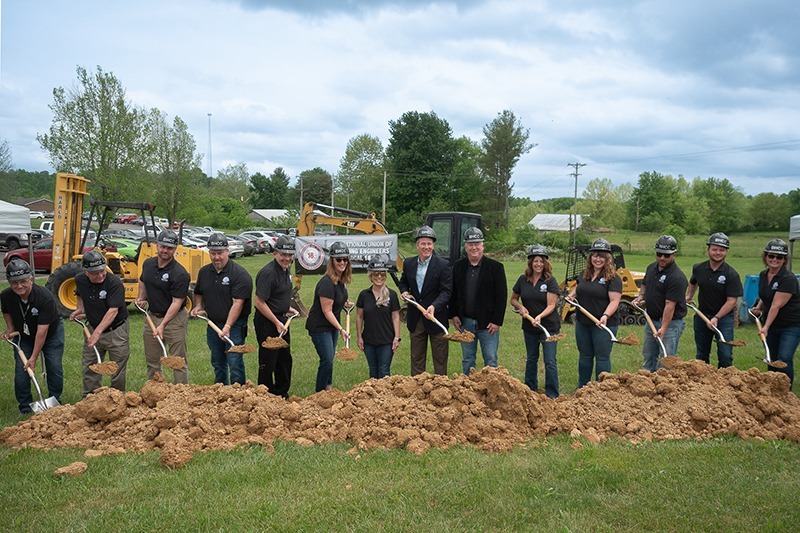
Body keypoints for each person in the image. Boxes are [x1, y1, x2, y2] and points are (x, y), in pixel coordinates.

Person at [1, 259, 64, 413]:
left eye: (23, 281)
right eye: (14, 283)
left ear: (31, 279)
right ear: (9, 282)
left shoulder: (44, 297)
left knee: (53, 366)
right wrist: (10, 328)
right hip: (24, 335)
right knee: (22, 371)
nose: (19, 286)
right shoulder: (6, 295)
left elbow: (42, 332)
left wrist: (34, 358)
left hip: (50, 334)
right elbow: (6, 310)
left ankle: (55, 400)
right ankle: (25, 406)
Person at [191, 233, 253, 386]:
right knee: (217, 361)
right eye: (213, 253)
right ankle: (220, 390)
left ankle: (239, 393)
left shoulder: (239, 274)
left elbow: (237, 303)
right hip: (213, 324)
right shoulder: (204, 272)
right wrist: (198, 306)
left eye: (220, 253)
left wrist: (227, 326)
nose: (216, 257)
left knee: (234, 360)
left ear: (227, 251)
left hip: (236, 325)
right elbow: (198, 292)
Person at [69, 250, 130, 396]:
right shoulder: (80, 279)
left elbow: (113, 311)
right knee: (91, 365)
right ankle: (90, 398)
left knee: (117, 367)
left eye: (102, 271)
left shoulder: (114, 283)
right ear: (86, 272)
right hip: (93, 326)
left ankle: (117, 397)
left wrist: (96, 334)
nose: (101, 275)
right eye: (95, 273)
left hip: (116, 330)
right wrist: (79, 309)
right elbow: (80, 293)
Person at [449, 227, 507, 375]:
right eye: (470, 244)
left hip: (488, 324)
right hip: (465, 322)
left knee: (491, 358)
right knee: (468, 359)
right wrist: (454, 314)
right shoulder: (458, 266)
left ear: (483, 246)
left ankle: (491, 391)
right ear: (466, 247)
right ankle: (468, 390)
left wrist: (497, 321)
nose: (474, 247)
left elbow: (501, 296)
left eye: (477, 244)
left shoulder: (496, 268)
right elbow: (453, 293)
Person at [136, 229, 190, 383]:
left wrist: (163, 325)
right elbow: (143, 280)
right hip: (152, 317)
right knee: (153, 360)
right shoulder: (148, 264)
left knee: (177, 361)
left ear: (175, 249)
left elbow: (177, 302)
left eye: (170, 248)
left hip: (175, 319)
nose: (165, 250)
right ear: (157, 245)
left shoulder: (180, 274)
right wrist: (141, 297)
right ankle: (155, 392)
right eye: (163, 246)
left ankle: (180, 395)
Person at [568, 238, 622, 388]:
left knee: (602, 357)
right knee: (585, 356)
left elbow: (614, 301)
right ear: (590, 257)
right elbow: (579, 288)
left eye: (602, 256)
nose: (598, 259)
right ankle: (583, 387)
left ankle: (602, 389)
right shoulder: (584, 274)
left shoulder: (613, 278)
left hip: (603, 325)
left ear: (608, 258)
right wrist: (571, 296)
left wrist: (605, 316)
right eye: (595, 256)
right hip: (583, 323)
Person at [398, 225, 452, 375]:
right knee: (417, 359)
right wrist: (404, 292)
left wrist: (434, 306)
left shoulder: (443, 265)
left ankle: (440, 390)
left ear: (433, 245)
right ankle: (417, 389)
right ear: (417, 245)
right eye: (423, 243)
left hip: (436, 318)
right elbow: (403, 283)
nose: (426, 247)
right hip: (416, 319)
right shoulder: (409, 263)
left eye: (429, 243)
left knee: (440, 360)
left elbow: (446, 292)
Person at [685, 232, 743, 368]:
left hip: (724, 319)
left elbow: (732, 301)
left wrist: (717, 317)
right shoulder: (699, 268)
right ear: (708, 250)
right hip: (702, 315)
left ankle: (725, 384)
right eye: (715, 249)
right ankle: (703, 385)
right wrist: (689, 296)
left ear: (726, 252)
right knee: (701, 355)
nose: (718, 253)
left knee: (725, 355)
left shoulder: (731, 274)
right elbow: (693, 282)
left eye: (722, 250)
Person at [510, 245, 561, 398]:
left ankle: (552, 394)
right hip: (529, 327)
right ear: (531, 262)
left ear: (545, 263)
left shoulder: (550, 281)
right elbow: (513, 299)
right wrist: (521, 307)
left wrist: (539, 316)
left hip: (548, 327)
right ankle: (530, 390)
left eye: (541, 261)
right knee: (531, 358)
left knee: (550, 361)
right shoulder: (523, 280)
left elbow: (552, 305)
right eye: (535, 261)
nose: (538, 264)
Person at [633, 235, 688, 371]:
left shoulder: (677, 277)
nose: (662, 258)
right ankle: (645, 383)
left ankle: (664, 388)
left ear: (674, 255)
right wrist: (640, 296)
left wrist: (663, 328)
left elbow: (670, 305)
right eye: (659, 254)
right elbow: (645, 284)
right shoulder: (651, 268)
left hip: (670, 324)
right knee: (648, 355)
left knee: (666, 360)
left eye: (666, 255)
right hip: (651, 320)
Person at [750, 238, 800, 385]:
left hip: (791, 325)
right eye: (771, 256)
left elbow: (775, 305)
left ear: (784, 260)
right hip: (773, 323)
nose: (774, 259)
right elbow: (765, 295)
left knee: (784, 358)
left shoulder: (788, 279)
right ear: (766, 257)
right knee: (771, 358)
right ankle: (772, 389)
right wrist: (758, 308)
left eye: (779, 257)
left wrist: (765, 327)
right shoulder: (763, 275)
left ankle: (786, 391)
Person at [253, 234, 298, 397]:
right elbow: (258, 302)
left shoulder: (286, 270)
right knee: (268, 359)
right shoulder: (268, 273)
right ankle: (264, 395)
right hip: (267, 322)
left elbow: (278, 295)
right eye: (283, 255)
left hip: (281, 319)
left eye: (289, 255)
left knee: (284, 358)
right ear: (275, 253)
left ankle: (280, 393)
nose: (286, 258)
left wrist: (287, 308)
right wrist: (276, 321)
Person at [306, 241, 351, 392]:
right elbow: (327, 311)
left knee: (329, 359)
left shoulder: (340, 281)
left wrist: (344, 302)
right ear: (331, 261)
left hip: (331, 326)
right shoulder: (326, 283)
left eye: (345, 259)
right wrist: (341, 329)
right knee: (327, 360)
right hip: (320, 327)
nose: (342, 262)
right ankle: (320, 393)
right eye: (338, 259)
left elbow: (336, 299)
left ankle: (328, 388)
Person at [356, 255, 401, 379]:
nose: (379, 277)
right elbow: (359, 317)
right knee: (373, 370)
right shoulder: (364, 295)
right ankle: (373, 397)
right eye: (376, 274)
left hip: (386, 340)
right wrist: (359, 337)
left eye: (382, 274)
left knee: (384, 371)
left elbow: (396, 316)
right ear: (370, 276)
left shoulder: (392, 294)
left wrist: (397, 337)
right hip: (369, 340)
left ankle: (385, 397)